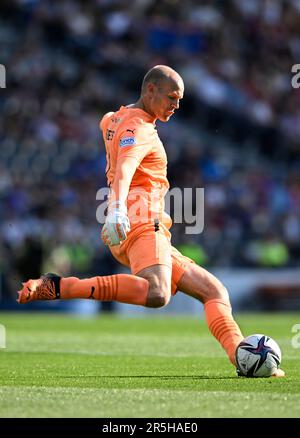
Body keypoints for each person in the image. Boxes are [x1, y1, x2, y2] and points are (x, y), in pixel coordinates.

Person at [17, 65, 284, 377]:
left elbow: (109, 126)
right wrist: (116, 209)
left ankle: (241, 356)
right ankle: (58, 286)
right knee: (158, 293)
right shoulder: (140, 128)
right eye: (171, 97)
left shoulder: (114, 119)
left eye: (180, 99)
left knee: (214, 291)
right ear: (150, 91)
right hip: (141, 222)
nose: (176, 105)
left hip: (138, 225)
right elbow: (127, 167)